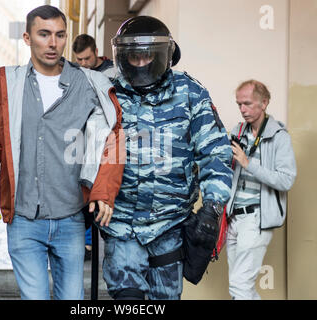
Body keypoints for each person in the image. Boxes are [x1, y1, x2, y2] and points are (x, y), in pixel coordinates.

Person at [0, 5, 124, 300]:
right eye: (44, 34)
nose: (53, 43)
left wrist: (102, 192)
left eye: (60, 35)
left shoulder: (89, 84)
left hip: (70, 218)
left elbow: (113, 138)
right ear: (27, 37)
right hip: (24, 219)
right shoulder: (6, 85)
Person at [98, 16, 233, 300]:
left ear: (163, 56)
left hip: (170, 224)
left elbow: (215, 151)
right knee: (128, 301)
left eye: (147, 55)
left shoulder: (190, 93)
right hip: (122, 224)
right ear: (122, 57)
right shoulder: (107, 91)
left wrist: (213, 205)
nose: (140, 63)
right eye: (133, 56)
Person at [226, 80, 297, 300]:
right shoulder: (237, 131)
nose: (242, 109)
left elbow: (286, 181)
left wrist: (249, 164)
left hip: (257, 219)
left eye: (247, 103)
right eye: (239, 104)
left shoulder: (279, 138)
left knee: (239, 285)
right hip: (233, 219)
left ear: (264, 103)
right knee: (241, 286)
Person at [72, 33, 114, 261]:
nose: (84, 64)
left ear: (96, 51)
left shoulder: (113, 73)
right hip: (83, 143)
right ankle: (87, 243)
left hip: (107, 143)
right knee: (84, 192)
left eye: (87, 58)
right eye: (79, 60)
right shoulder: (76, 75)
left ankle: (94, 241)